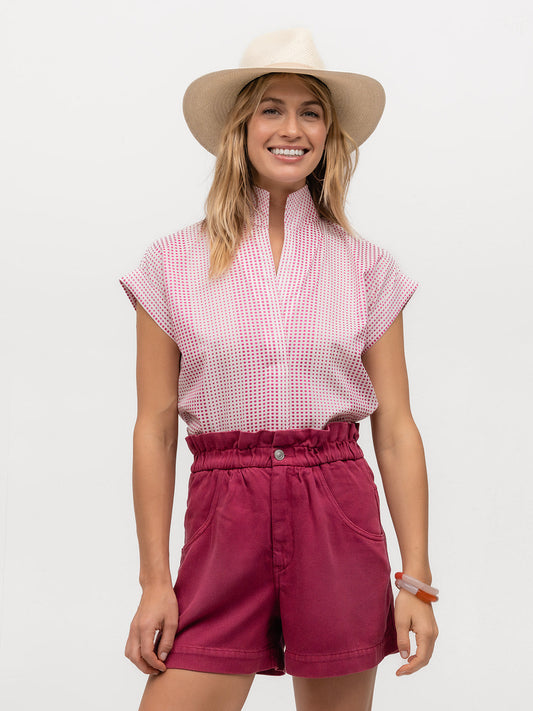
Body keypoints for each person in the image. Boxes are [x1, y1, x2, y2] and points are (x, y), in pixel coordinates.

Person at [118, 27, 439, 711]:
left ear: (329, 135)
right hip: (221, 513)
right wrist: (154, 580)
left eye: (310, 111)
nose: (291, 128)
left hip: (335, 505)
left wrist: (414, 581)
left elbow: (396, 429)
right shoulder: (170, 265)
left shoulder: (366, 267)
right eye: (271, 107)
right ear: (240, 127)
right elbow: (152, 428)